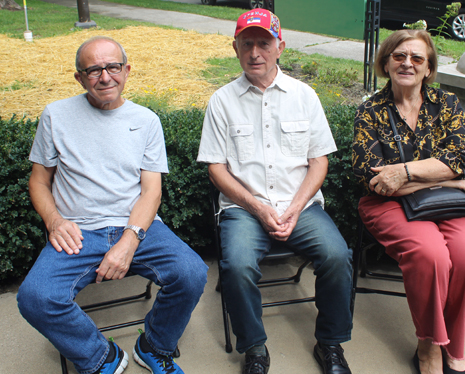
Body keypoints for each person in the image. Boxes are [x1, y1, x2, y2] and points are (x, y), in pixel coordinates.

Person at [17, 36, 208, 374]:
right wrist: (54, 221)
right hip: (78, 230)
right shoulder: (56, 115)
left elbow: (151, 192)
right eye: (93, 70)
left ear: (127, 70)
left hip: (137, 225)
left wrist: (128, 241)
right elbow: (39, 180)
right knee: (36, 298)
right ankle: (101, 357)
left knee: (191, 273)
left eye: (113, 67)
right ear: (79, 77)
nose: (105, 77)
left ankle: (153, 346)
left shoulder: (147, 120)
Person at [197, 10, 353, 374]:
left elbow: (319, 162)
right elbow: (216, 169)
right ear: (235, 48)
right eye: (246, 43)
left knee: (337, 256)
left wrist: (295, 208)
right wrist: (258, 208)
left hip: (300, 207)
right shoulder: (221, 101)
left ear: (279, 46)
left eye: (264, 43)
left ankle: (330, 344)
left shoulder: (304, 95)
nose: (255, 52)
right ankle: (254, 349)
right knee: (235, 265)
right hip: (243, 209)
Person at [352, 29, 465, 374]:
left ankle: (454, 346)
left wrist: (404, 173)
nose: (407, 63)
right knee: (431, 257)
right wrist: (452, 180)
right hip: (392, 204)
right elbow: (370, 177)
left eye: (417, 58)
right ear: (386, 62)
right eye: (399, 56)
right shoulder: (370, 111)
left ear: (428, 68)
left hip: (448, 203)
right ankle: (428, 347)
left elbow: (463, 157)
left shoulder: (448, 104)